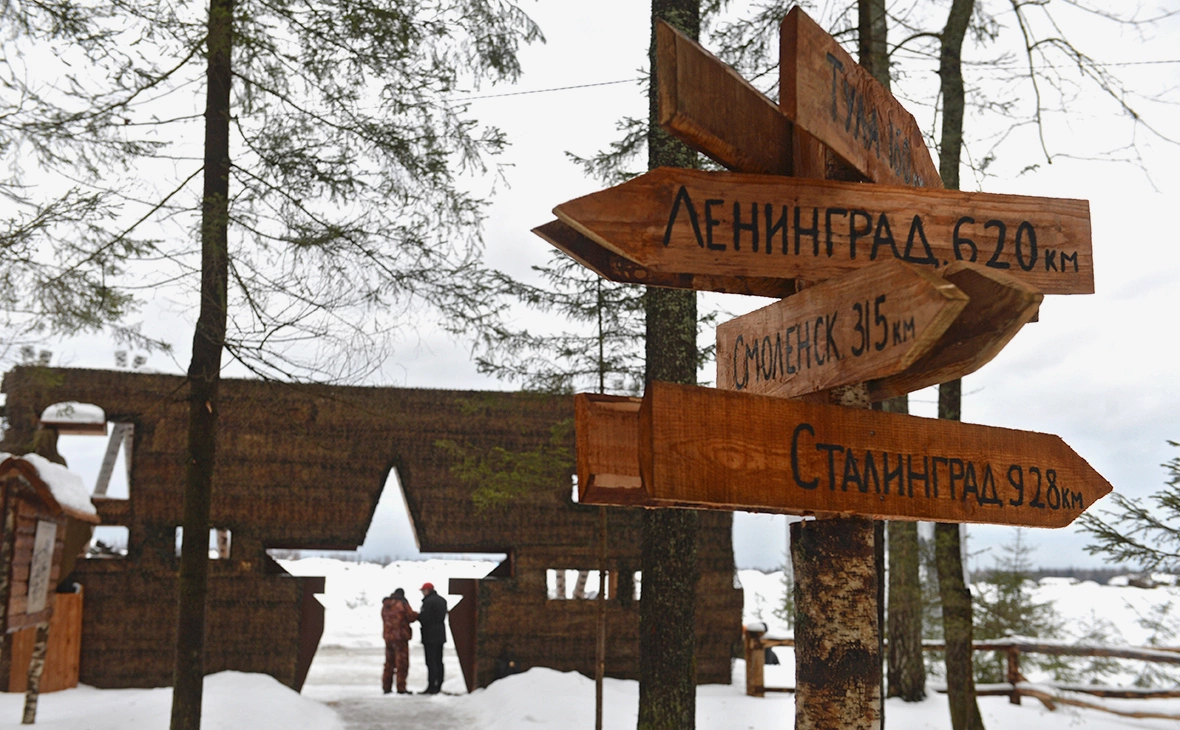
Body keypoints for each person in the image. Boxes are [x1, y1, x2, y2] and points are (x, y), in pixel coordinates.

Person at [381, 588, 418, 695]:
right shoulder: (402, 603)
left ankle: (386, 687)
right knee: (402, 663)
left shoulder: (386, 605)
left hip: (388, 637)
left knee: (389, 663)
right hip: (400, 637)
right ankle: (401, 687)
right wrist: (419, 615)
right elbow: (410, 616)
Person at [418, 582, 448, 694]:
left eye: (423, 591)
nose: (422, 593)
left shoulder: (428, 602)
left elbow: (424, 618)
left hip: (430, 636)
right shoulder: (442, 600)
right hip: (440, 634)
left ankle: (432, 685)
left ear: (428, 590)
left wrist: (418, 617)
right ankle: (439, 684)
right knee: (439, 660)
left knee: (431, 661)